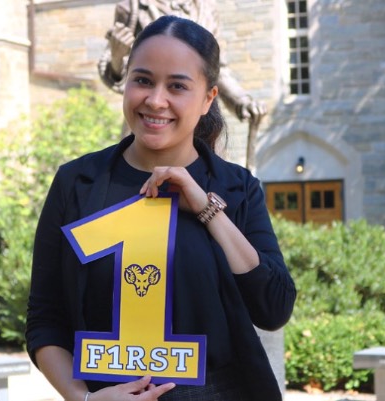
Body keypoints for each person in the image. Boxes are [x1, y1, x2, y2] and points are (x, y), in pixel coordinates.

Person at [26, 15, 296, 401]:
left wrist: (207, 209)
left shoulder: (235, 188)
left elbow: (273, 308)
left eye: (177, 86)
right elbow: (44, 319)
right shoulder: (77, 183)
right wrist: (84, 399)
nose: (155, 100)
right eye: (143, 80)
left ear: (208, 99)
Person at [98, 0, 267, 124]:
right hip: (148, 123)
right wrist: (117, 56)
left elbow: (216, 68)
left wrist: (241, 100)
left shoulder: (207, 8)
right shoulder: (131, 7)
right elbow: (120, 72)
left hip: (199, 125)